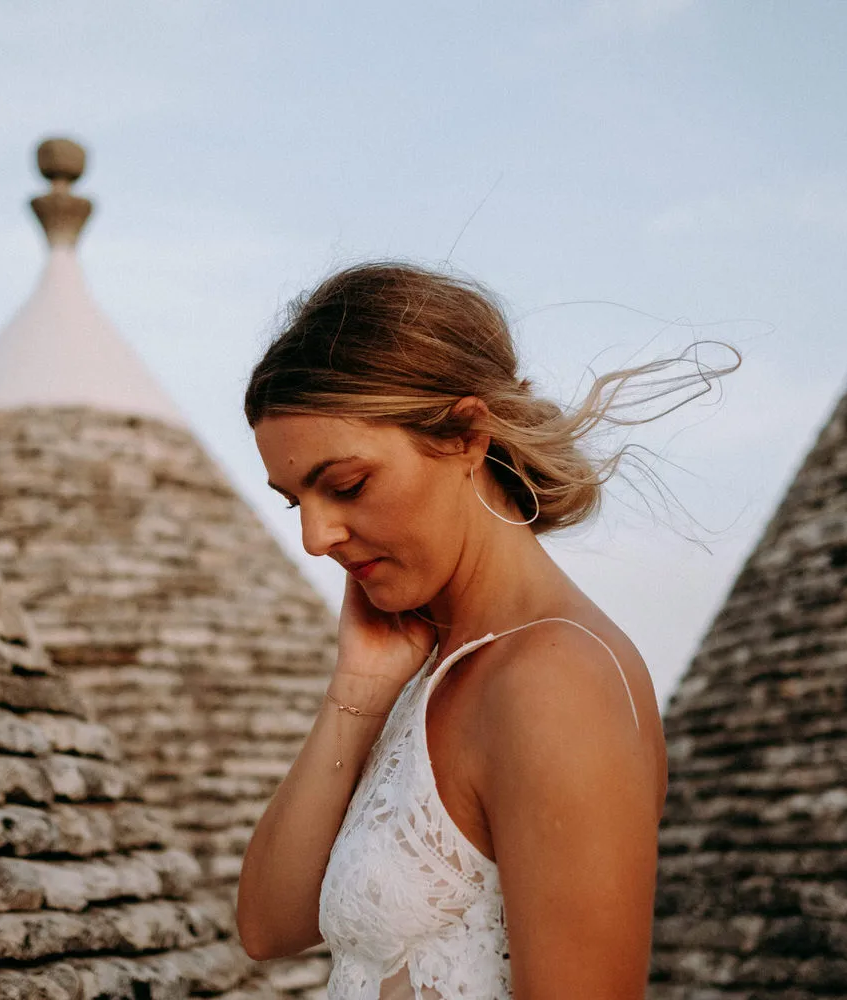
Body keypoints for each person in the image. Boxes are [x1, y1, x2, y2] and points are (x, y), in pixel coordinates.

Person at [236, 262, 733, 999]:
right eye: (293, 501)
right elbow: (268, 927)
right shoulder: (434, 669)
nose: (315, 537)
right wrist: (361, 689)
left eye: (345, 486)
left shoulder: (552, 681)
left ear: (468, 435)